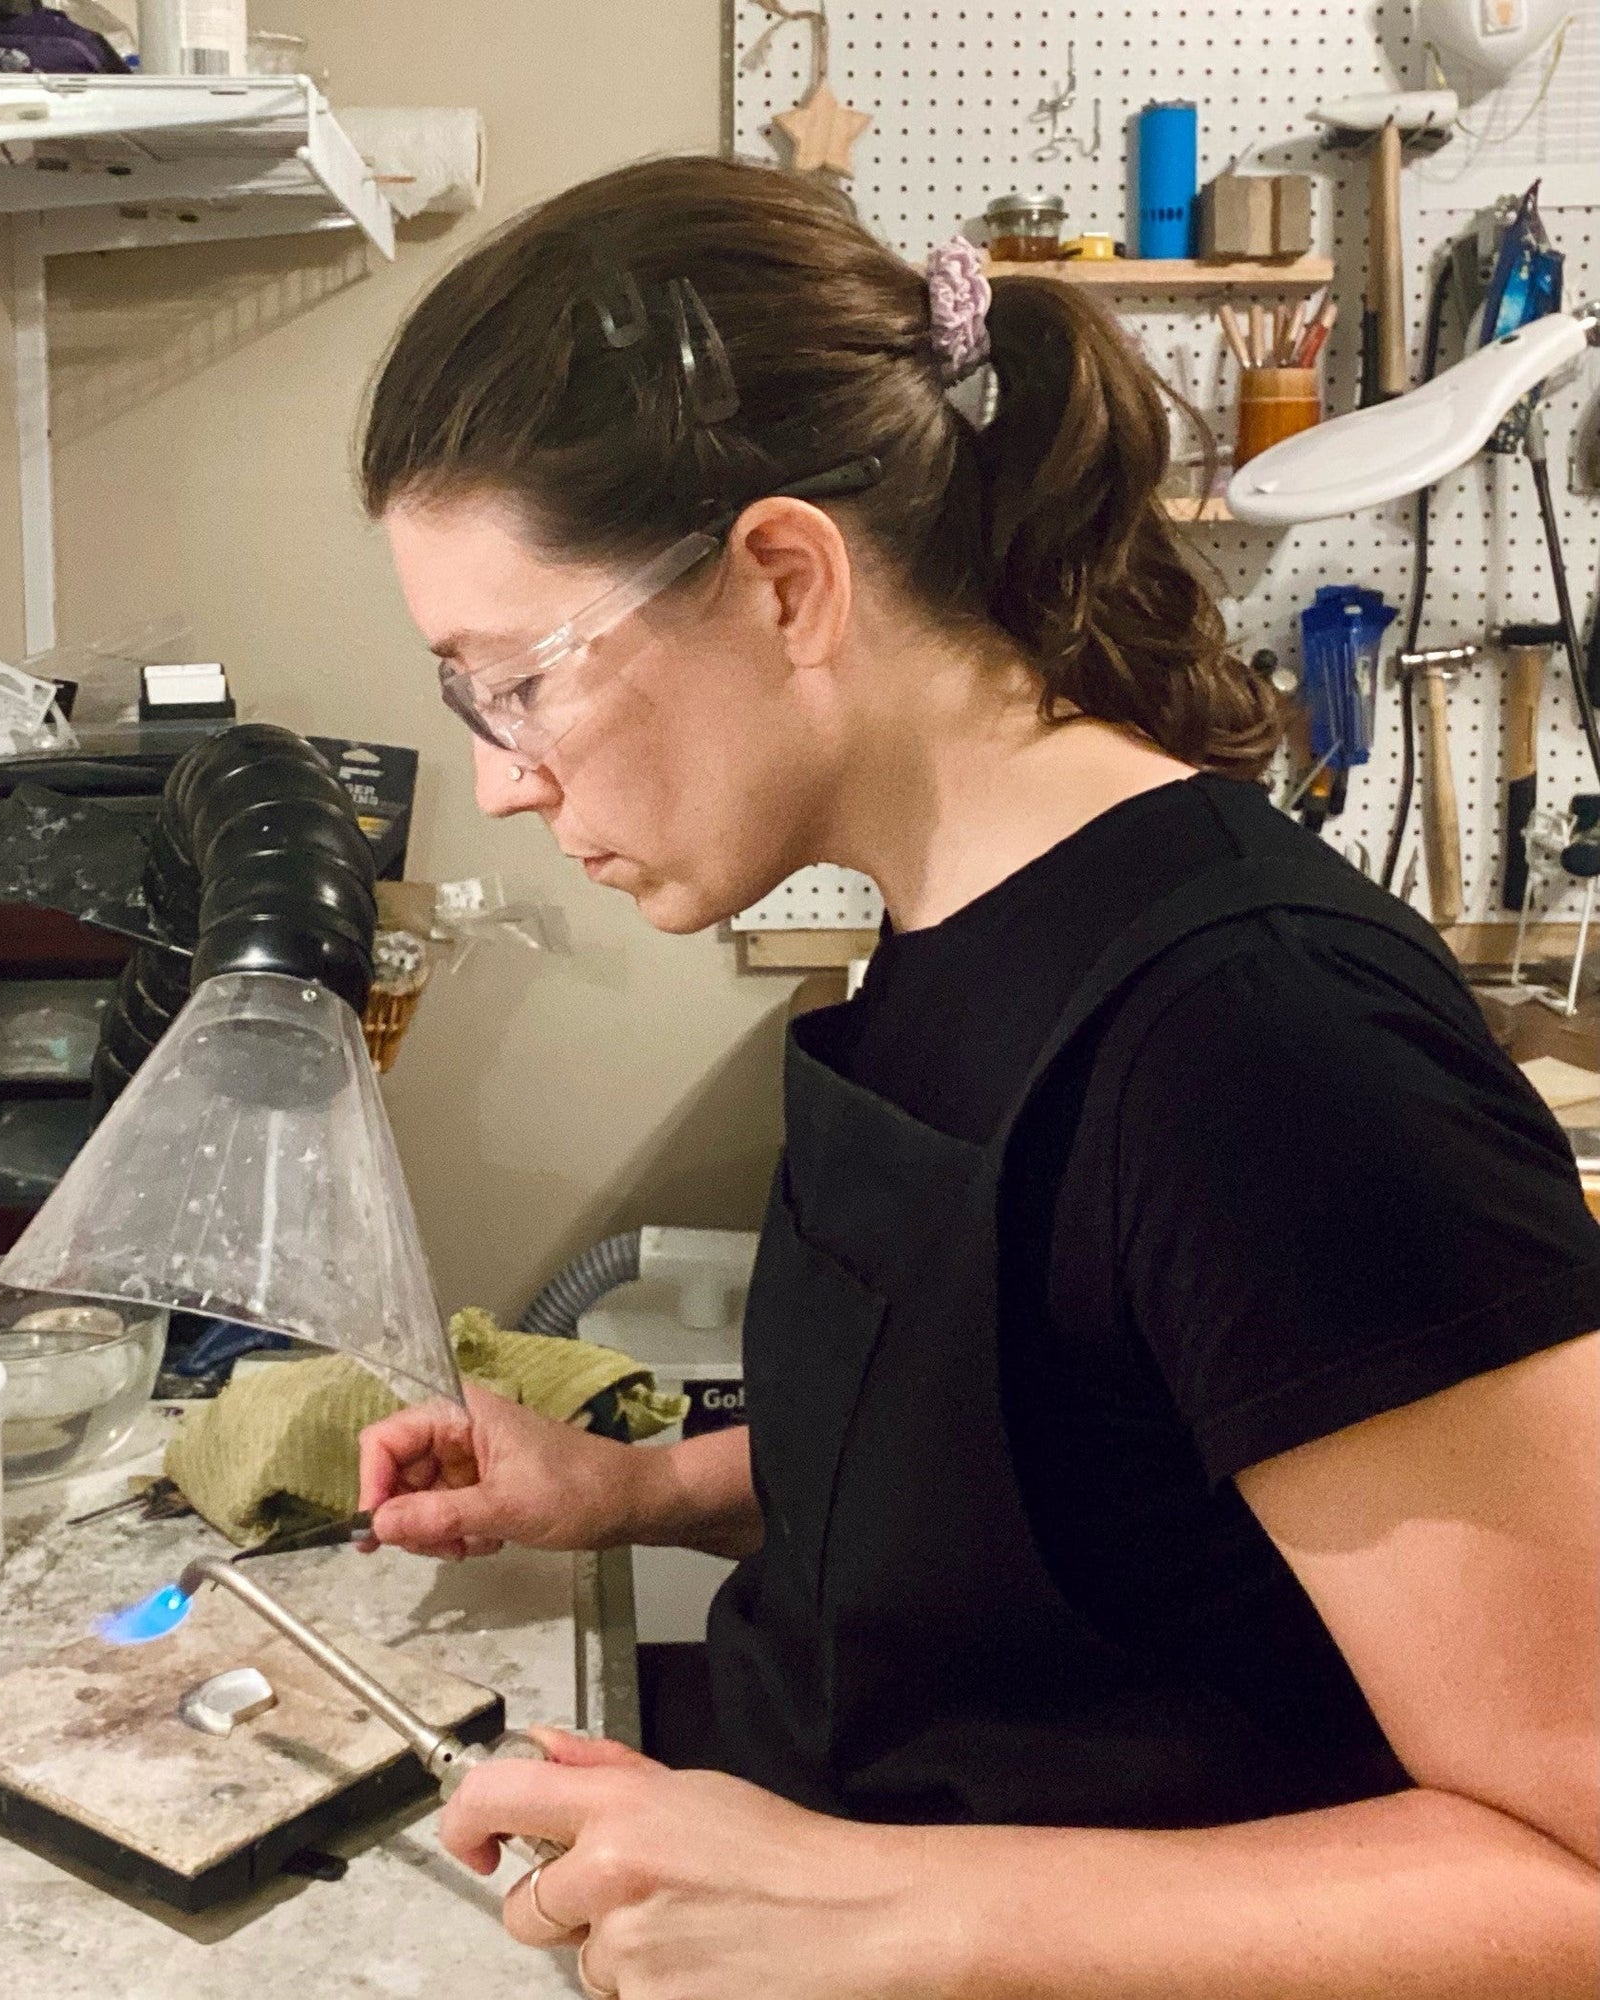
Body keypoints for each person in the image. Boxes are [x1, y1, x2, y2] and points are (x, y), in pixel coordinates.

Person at [353, 156, 1599, 1998]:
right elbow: (1069, 1470)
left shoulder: (1260, 1043)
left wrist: (882, 1903)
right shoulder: (954, 919)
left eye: (510, 682)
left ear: (785, 580)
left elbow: (1570, 1865)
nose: (505, 780)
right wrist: (643, 1493)